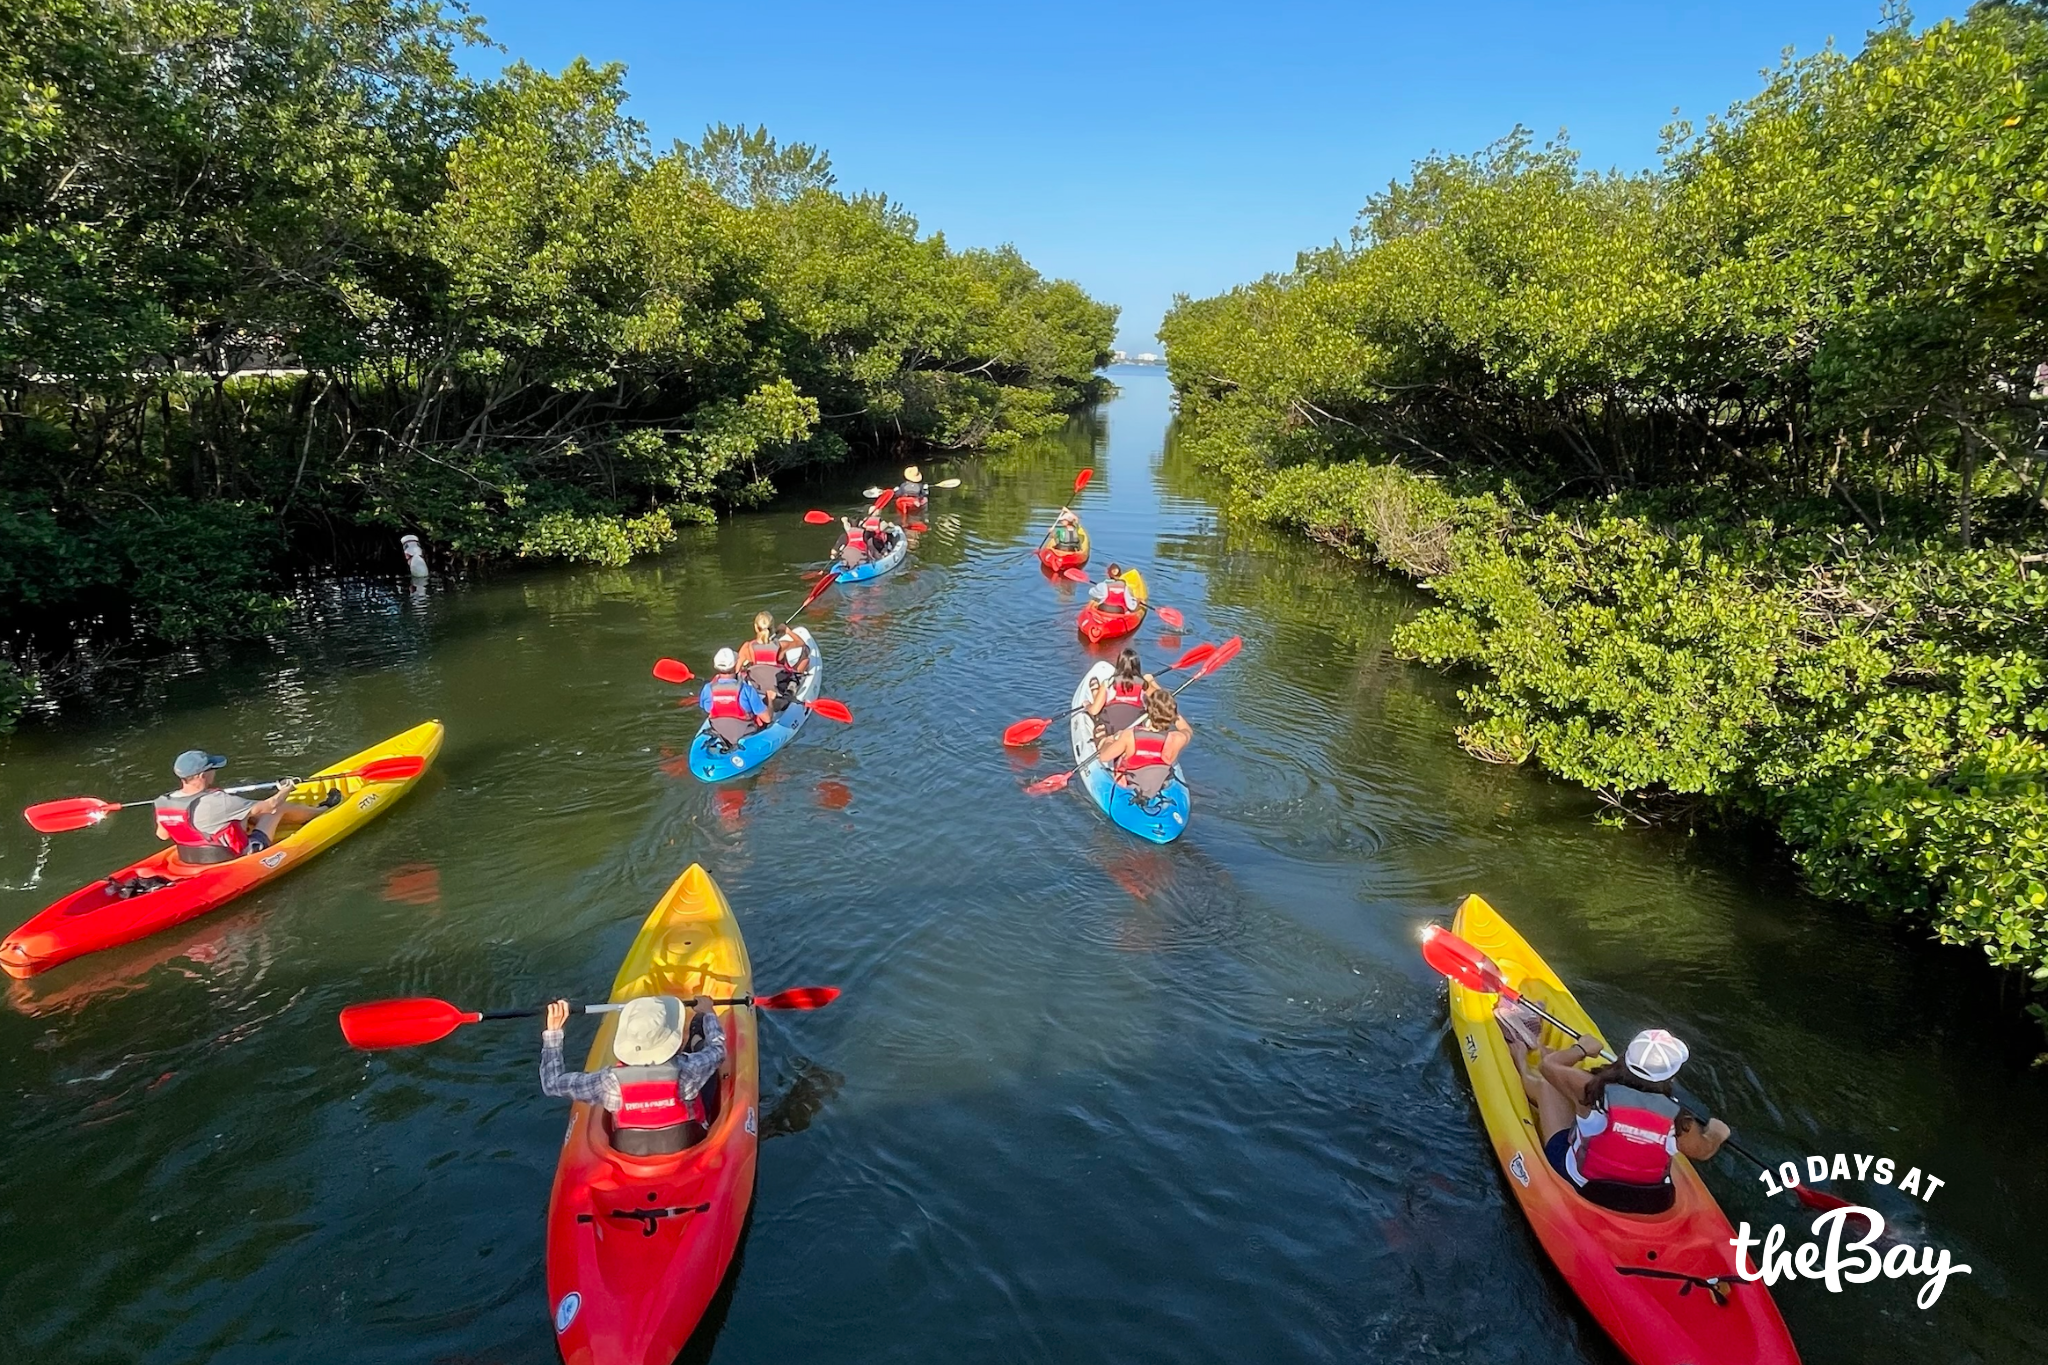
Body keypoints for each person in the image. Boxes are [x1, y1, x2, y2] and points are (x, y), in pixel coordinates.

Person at [1500, 1019, 1731, 1214]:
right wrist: (1717, 1132)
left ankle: (1519, 1059)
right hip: (1652, 1202)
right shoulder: (1680, 1120)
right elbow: (1704, 1150)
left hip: (1585, 1185)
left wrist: (1582, 1048)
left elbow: (1548, 1066)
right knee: (1577, 1102)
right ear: (1671, 1077)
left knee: (1548, 1087)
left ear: (1625, 1058)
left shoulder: (1590, 1088)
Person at [540, 994, 725, 1157]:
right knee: (700, 1040)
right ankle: (695, 1036)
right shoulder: (689, 1068)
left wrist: (553, 1033)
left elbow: (551, 1083)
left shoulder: (608, 1082)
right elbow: (718, 1050)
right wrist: (708, 1013)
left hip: (630, 1151)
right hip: (685, 1143)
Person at [153, 750, 330, 864]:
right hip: (232, 856)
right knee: (278, 809)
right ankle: (323, 810)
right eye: (213, 768)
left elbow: (162, 835)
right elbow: (270, 805)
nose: (215, 772)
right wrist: (288, 788)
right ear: (202, 775)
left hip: (190, 858)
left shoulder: (162, 801)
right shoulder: (218, 800)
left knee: (245, 814)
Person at [1092, 683, 1192, 801]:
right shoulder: (1177, 739)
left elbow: (1104, 757)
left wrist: (1109, 741)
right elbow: (1187, 730)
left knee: (1105, 740)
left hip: (1129, 788)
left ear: (1148, 712)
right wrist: (1171, 711)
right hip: (1157, 787)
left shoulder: (1130, 736)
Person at [698, 648, 772, 747]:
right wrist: (770, 699)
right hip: (745, 734)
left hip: (719, 734)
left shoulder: (708, 688)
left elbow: (707, 709)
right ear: (735, 665)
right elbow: (767, 719)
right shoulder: (746, 690)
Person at [740, 611, 806, 708]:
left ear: (755, 627)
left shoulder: (747, 647)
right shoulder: (781, 645)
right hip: (779, 688)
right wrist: (786, 630)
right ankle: (793, 687)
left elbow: (737, 669)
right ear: (772, 627)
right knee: (805, 659)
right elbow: (801, 643)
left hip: (759, 688)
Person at [1086, 648, 1147, 736]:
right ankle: (1095, 691)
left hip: (1111, 729)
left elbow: (1094, 711)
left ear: (1119, 664)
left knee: (1098, 708)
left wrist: (1087, 705)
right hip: (1134, 732)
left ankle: (1095, 691)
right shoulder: (1144, 686)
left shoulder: (1109, 684)